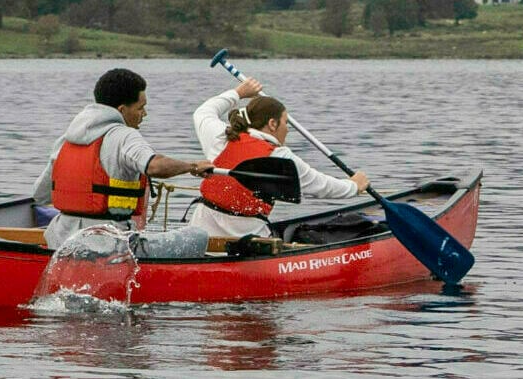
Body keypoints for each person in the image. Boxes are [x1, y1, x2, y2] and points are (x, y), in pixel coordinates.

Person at [33, 68, 214, 249]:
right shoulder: (125, 136)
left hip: (60, 242)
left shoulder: (65, 140)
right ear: (122, 110)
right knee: (198, 236)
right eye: (141, 108)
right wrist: (193, 166)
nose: (145, 114)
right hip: (109, 246)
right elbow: (154, 166)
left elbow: (40, 195)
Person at [187, 80, 369, 239]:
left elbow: (202, 112)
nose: (287, 129)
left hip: (199, 233)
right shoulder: (280, 157)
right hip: (245, 238)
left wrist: (238, 93)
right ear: (272, 124)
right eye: (285, 123)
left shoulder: (221, 136)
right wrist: (354, 186)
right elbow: (322, 186)